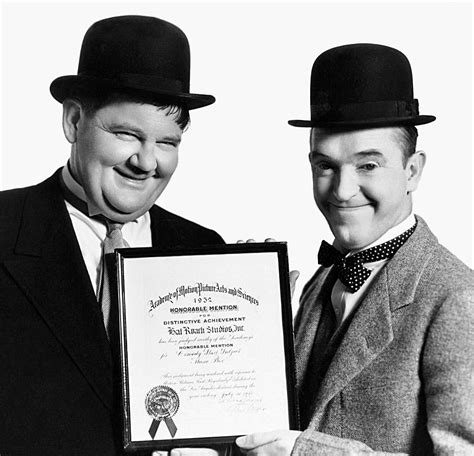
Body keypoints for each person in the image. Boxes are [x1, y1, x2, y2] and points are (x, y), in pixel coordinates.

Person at [0, 15, 225, 455]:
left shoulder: (204, 250)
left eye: (168, 143)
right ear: (73, 121)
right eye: (126, 134)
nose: (146, 161)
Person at [236, 44, 474, 454]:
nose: (343, 191)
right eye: (325, 166)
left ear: (412, 170)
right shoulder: (319, 281)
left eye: (368, 165)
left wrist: (305, 452)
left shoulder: (456, 299)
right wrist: (249, 322)